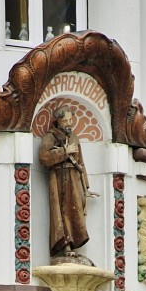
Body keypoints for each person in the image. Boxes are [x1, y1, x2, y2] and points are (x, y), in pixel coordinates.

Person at [38, 105, 98, 257]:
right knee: (62, 211)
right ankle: (65, 246)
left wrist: (86, 186)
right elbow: (44, 157)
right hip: (59, 178)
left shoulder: (73, 138)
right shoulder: (50, 137)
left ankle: (74, 242)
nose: (69, 123)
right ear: (58, 121)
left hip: (74, 178)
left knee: (75, 211)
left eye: (71, 119)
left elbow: (81, 163)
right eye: (65, 120)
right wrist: (64, 152)